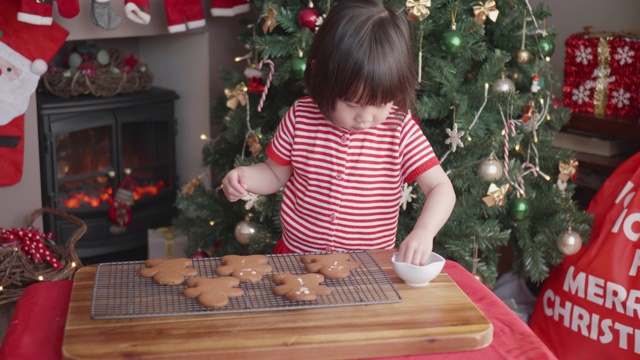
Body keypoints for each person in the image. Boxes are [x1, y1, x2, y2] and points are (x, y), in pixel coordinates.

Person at [222, 0, 456, 266]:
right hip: (297, 260)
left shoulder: (399, 129)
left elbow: (441, 188)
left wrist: (424, 232)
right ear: (324, 79)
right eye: (352, 104)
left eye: (379, 104)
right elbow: (275, 174)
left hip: (366, 266)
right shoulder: (301, 117)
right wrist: (244, 177)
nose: (365, 118)